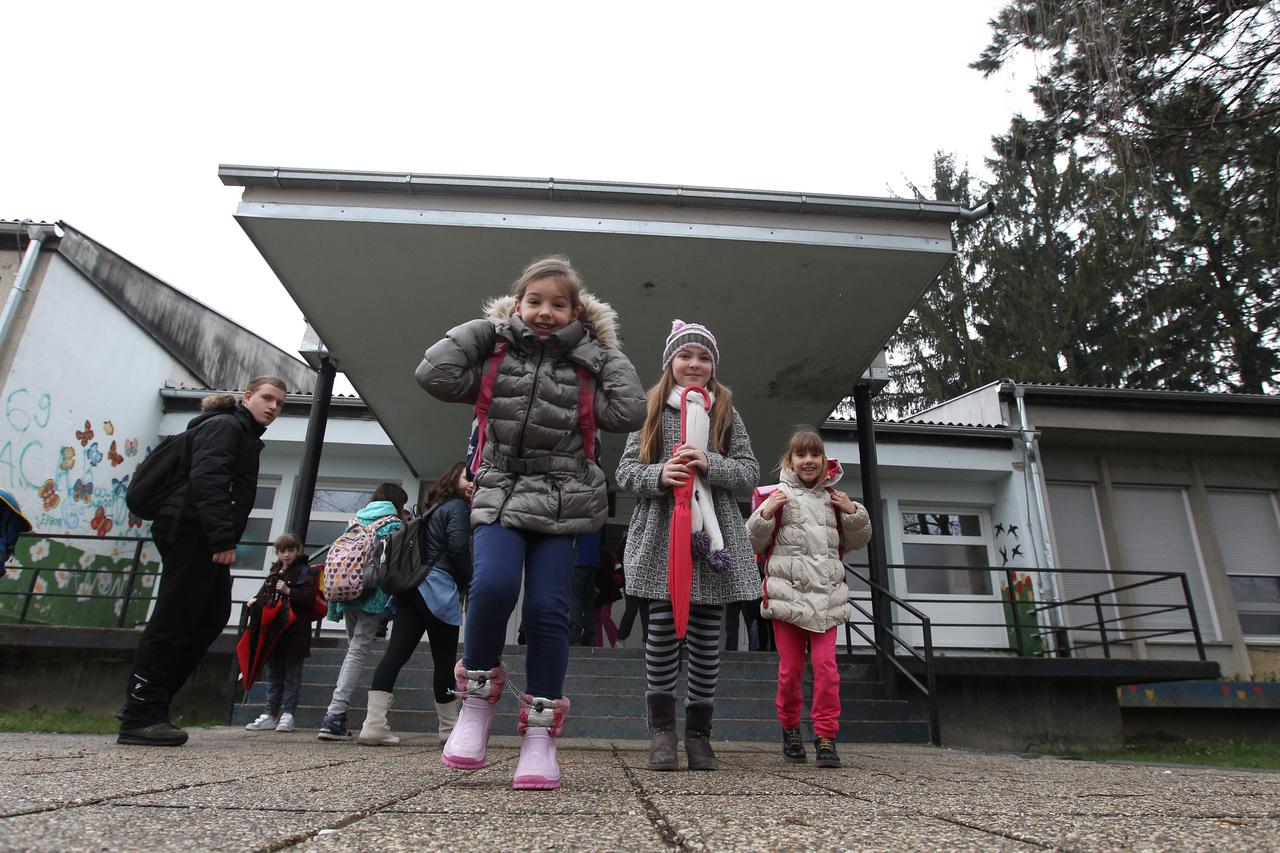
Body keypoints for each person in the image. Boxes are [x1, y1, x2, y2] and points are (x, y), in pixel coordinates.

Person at [416, 255, 644, 790]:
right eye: (534, 301)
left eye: (558, 304)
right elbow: (433, 374)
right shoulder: (495, 356)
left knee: (547, 610)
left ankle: (540, 735)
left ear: (576, 313)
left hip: (563, 498)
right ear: (517, 305)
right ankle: (476, 706)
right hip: (501, 488)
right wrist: (487, 328)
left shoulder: (586, 365)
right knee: (493, 586)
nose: (545, 312)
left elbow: (629, 412)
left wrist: (598, 348)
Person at [616, 320, 760, 772]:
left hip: (712, 539)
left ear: (713, 366)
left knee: (706, 640)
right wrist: (659, 474)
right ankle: (662, 733)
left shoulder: (726, 413)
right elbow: (624, 472)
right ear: (670, 362)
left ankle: (699, 736)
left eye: (703, 357)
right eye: (685, 355)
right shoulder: (649, 411)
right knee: (661, 634)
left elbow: (749, 471)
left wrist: (710, 463)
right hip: (663, 534)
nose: (694, 364)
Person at [117, 377, 286, 746]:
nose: (273, 407)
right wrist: (222, 538)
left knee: (211, 616)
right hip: (192, 532)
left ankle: (152, 703)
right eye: (267, 398)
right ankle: (140, 714)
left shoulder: (242, 433)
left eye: (279, 403)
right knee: (174, 619)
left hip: (200, 533)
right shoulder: (226, 426)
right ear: (247, 397)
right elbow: (209, 478)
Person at [747, 426, 872, 769]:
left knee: (827, 671)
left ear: (824, 460)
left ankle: (826, 736)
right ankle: (790, 729)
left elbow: (858, 539)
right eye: (801, 454)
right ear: (789, 460)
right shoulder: (776, 496)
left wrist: (853, 511)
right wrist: (766, 513)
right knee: (790, 672)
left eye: (815, 454)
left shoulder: (835, 499)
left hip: (826, 600)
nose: (808, 460)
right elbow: (753, 543)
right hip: (788, 601)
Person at [357, 462, 473, 746]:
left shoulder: (433, 507)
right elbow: (458, 549)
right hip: (438, 589)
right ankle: (449, 730)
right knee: (443, 661)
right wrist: (471, 580)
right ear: (454, 478)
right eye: (468, 477)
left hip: (411, 587)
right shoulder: (458, 507)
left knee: (395, 654)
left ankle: (373, 725)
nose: (473, 483)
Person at [315, 483, 408, 740]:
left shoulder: (356, 521)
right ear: (397, 502)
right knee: (357, 651)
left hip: (347, 590)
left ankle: (336, 715)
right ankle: (334, 715)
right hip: (371, 593)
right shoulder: (392, 524)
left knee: (353, 650)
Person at [244, 533, 318, 733]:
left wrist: (289, 591)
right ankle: (271, 713)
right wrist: (255, 600)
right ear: (277, 553)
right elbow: (265, 594)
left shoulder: (305, 571)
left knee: (292, 675)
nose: (286, 555)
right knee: (274, 675)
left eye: (291, 550)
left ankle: (288, 714)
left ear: (298, 550)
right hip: (274, 630)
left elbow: (310, 598)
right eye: (282, 551)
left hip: (296, 631)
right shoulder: (275, 571)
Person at [569, 528, 602, 645]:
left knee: (575, 598)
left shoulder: (580, 516)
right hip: (592, 560)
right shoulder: (598, 519)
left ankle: (574, 634)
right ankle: (590, 636)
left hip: (578, 559)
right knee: (589, 601)